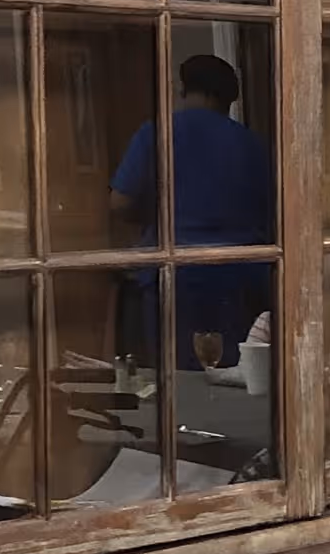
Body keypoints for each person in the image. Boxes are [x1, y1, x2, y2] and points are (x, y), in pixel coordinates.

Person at [110, 53, 271, 362]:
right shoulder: (252, 144)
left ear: (184, 89)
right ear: (227, 97)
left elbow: (120, 201)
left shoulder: (156, 134)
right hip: (241, 274)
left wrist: (155, 216)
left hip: (174, 271)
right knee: (233, 370)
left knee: (174, 372)